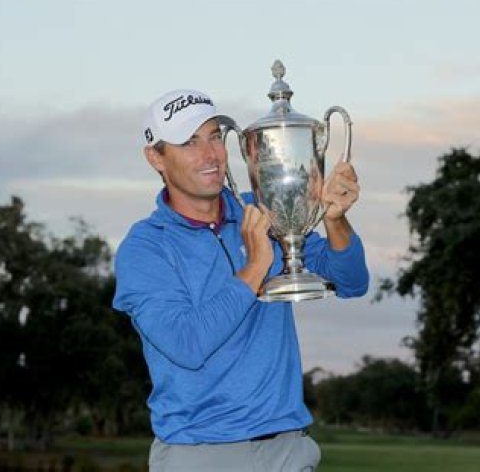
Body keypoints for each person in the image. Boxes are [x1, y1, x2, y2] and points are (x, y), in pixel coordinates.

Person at [112, 88, 369, 471]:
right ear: (156, 158)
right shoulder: (145, 247)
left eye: (214, 136)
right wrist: (255, 267)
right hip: (200, 454)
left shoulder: (261, 208)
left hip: (286, 450)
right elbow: (187, 344)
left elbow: (352, 281)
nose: (210, 154)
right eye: (189, 142)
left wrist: (335, 220)